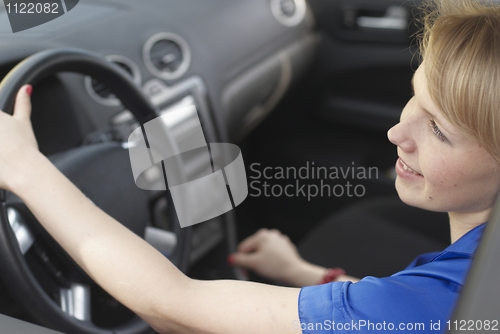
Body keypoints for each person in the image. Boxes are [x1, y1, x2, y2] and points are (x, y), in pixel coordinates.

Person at [0, 0, 499, 332]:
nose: (397, 134)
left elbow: (171, 306)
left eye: (437, 130)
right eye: (413, 97)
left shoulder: (433, 303)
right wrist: (305, 274)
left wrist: (26, 168)